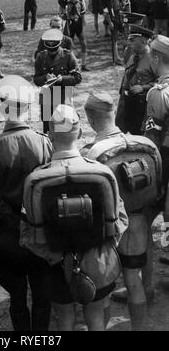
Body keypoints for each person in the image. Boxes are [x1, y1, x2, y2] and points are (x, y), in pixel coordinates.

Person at [21, 104, 127, 331]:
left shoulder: (35, 180)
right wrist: (99, 251)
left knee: (64, 319)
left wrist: (60, 259)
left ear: (49, 135)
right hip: (97, 261)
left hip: (54, 267)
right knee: (96, 317)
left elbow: (29, 235)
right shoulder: (102, 174)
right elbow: (119, 222)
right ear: (79, 133)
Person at [83, 93, 161, 331]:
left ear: (90, 119)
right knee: (134, 281)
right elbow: (157, 191)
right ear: (113, 111)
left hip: (107, 233)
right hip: (138, 225)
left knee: (104, 292)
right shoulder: (146, 144)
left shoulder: (92, 155)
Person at [0, 76, 53, 331]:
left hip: (8, 236)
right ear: (28, 107)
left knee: (17, 296)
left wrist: (14, 224)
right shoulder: (44, 142)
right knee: (42, 295)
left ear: (1, 107)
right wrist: (31, 222)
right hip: (41, 232)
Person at [145, 35, 169, 267]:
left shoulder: (158, 92)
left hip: (165, 158)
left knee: (146, 216)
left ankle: (146, 284)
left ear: (156, 57)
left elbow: (152, 137)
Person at [34, 29, 82, 133]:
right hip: (46, 97)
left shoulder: (68, 56)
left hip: (63, 96)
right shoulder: (40, 57)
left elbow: (77, 78)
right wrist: (44, 78)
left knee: (64, 129)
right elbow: (36, 79)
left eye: (54, 50)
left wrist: (62, 79)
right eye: (49, 50)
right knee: (47, 128)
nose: (52, 52)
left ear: (59, 44)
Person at [116, 26, 156, 135]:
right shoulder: (133, 55)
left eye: (132, 40)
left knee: (140, 133)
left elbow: (163, 83)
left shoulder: (154, 59)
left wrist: (143, 87)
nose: (129, 43)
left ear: (143, 41)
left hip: (143, 105)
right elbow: (127, 74)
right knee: (122, 128)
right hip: (128, 100)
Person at [61, 0, 89, 71]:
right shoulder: (66, 1)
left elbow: (83, 14)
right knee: (69, 44)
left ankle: (84, 64)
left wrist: (83, 26)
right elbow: (61, 13)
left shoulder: (80, 1)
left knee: (83, 43)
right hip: (70, 24)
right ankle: (72, 64)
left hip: (78, 23)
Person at [110, 0, 131, 65]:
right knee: (115, 38)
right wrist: (111, 18)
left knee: (126, 36)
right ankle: (116, 58)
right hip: (115, 17)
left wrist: (129, 17)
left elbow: (128, 5)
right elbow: (110, 7)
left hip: (124, 17)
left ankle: (125, 56)